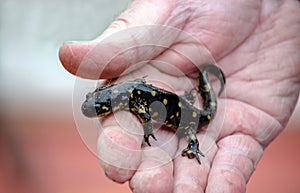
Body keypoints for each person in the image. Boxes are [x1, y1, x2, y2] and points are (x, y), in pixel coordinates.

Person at [59, 1, 300, 192]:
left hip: (192, 118)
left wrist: (148, 131)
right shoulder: (124, 93)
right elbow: (138, 99)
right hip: (175, 104)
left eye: (97, 107)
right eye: (96, 106)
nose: (95, 110)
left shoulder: (127, 96)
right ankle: (203, 80)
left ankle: (194, 143)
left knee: (188, 133)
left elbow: (144, 115)